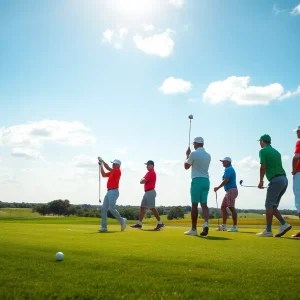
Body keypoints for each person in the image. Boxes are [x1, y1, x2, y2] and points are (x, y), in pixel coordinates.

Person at [256, 134, 292, 237]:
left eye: (260, 141)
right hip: (284, 180)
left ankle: (268, 230)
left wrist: (261, 181)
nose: (260, 143)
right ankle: (284, 224)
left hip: (275, 180)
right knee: (273, 206)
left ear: (262, 141)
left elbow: (263, 167)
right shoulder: (277, 152)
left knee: (268, 205)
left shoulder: (263, 151)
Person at [184, 137, 211, 236]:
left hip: (197, 180)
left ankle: (193, 229)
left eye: (194, 144)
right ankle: (206, 223)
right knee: (204, 204)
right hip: (206, 181)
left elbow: (186, 167)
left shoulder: (193, 154)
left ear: (197, 143)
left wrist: (187, 155)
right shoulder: (208, 155)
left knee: (194, 205)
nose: (193, 145)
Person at [131, 160, 165, 231]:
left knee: (152, 208)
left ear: (152, 165)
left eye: (148, 165)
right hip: (147, 192)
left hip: (150, 192)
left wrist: (143, 180)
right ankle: (139, 224)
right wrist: (143, 180)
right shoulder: (148, 173)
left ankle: (160, 223)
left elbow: (142, 181)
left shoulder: (151, 173)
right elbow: (141, 181)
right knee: (142, 207)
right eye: (146, 165)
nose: (146, 166)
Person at [98, 158, 127, 232]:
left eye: (114, 164)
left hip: (114, 191)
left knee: (111, 208)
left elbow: (107, 168)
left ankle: (122, 220)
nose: (113, 164)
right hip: (109, 192)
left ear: (118, 165)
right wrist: (101, 166)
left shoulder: (117, 171)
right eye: (113, 163)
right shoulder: (112, 172)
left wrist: (103, 161)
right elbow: (104, 175)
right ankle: (104, 227)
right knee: (104, 209)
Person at [214, 157, 238, 232]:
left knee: (231, 207)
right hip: (229, 191)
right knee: (223, 207)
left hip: (231, 190)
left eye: (224, 161)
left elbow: (226, 180)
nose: (222, 163)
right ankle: (224, 225)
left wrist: (218, 187)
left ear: (228, 162)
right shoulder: (228, 169)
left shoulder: (229, 169)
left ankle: (235, 227)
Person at [292, 125, 300, 239]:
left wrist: (294, 170)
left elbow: (296, 157)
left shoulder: (299, 142)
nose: (296, 134)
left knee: (299, 202)